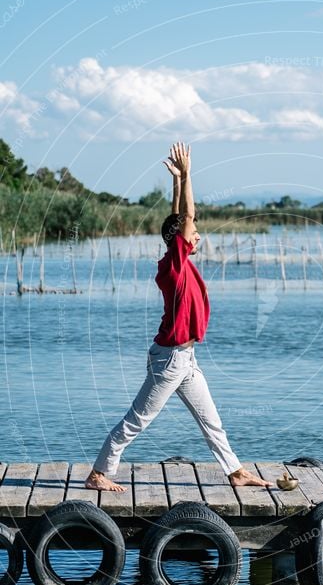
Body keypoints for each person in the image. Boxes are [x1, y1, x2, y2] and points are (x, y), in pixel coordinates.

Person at [85, 141, 273, 492]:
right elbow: (185, 218)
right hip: (170, 359)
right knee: (138, 419)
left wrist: (175, 183)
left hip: (185, 358)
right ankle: (98, 473)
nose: (198, 233)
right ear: (181, 239)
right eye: (193, 231)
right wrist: (188, 175)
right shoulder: (174, 265)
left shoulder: (177, 262)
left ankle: (235, 471)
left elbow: (176, 220)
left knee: (211, 421)